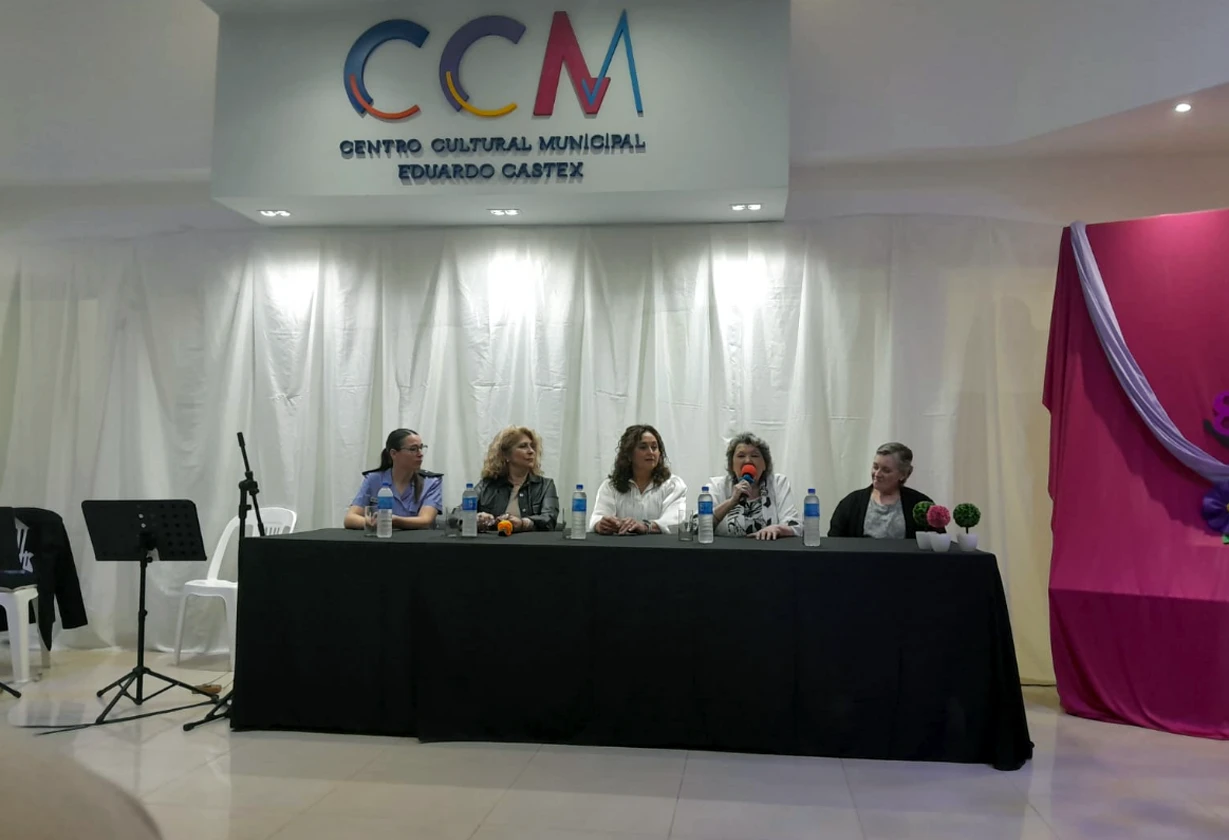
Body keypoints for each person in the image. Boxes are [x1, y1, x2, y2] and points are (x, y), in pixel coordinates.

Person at [450, 426, 560, 532]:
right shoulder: (487, 485)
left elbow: (549, 519)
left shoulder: (545, 486)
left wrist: (523, 524)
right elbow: (455, 515)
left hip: (530, 544)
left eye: (532, 446)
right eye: (523, 446)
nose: (531, 451)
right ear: (506, 455)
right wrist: (475, 518)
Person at [590, 424, 687, 535]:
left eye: (654, 447)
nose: (650, 452)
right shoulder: (611, 486)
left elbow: (675, 522)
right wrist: (601, 524)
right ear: (629, 454)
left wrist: (646, 526)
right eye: (643, 447)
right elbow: (597, 517)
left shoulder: (673, 485)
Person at [828, 442, 934, 539]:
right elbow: (835, 541)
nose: (877, 474)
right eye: (875, 467)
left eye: (886, 470)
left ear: (903, 474)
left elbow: (935, 542)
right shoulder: (851, 503)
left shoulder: (920, 505)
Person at [708, 432, 800, 540]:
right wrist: (731, 502)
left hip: (769, 549)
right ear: (731, 465)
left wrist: (778, 528)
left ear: (765, 464)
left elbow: (795, 525)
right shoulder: (717, 486)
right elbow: (697, 526)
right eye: (741, 456)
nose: (748, 460)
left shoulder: (778, 483)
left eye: (755, 456)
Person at [344, 429, 443, 530]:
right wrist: (371, 522)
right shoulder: (374, 479)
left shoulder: (431, 482)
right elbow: (350, 518)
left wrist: (392, 520)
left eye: (421, 448)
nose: (420, 454)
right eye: (413, 449)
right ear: (394, 454)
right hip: (381, 538)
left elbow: (425, 521)